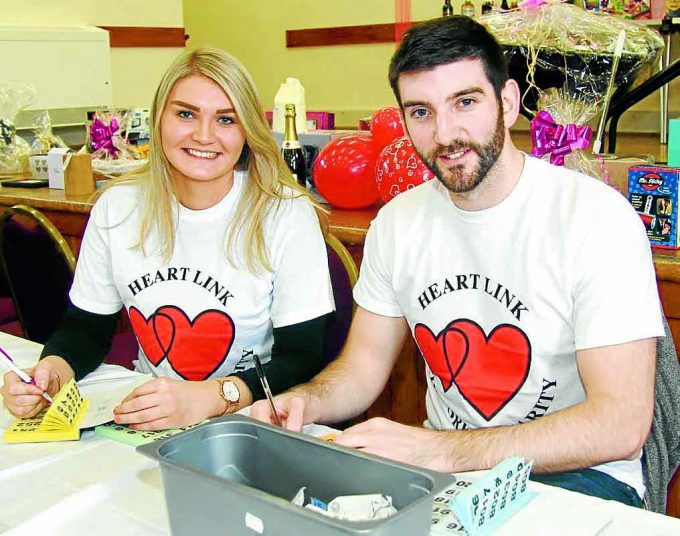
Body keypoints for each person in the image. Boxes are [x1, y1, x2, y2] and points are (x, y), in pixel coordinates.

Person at [252, 16, 664, 507]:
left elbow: (620, 425)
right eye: (421, 112)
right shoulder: (398, 223)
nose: (446, 134)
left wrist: (444, 450)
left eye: (465, 102)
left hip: (578, 476)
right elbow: (362, 370)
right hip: (446, 474)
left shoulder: (595, 218)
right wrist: (306, 400)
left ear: (507, 103)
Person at [1, 46, 334, 430]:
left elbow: (303, 356)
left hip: (251, 417)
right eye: (186, 114)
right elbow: (85, 329)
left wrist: (213, 397)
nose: (204, 135)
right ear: (159, 119)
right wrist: (49, 374)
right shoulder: (117, 207)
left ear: (247, 130)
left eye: (226, 120)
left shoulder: (286, 212)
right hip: (150, 410)